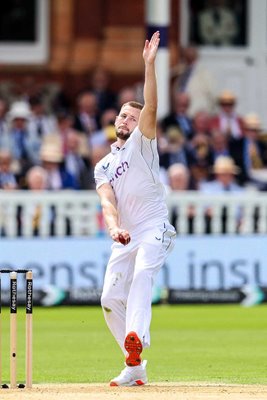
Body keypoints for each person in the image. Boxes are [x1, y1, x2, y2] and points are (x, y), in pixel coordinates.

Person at [94, 32, 176, 387]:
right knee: (110, 299)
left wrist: (149, 65)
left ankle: (136, 342)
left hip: (154, 226)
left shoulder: (143, 144)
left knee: (143, 275)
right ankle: (135, 366)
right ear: (115, 120)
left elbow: (152, 107)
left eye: (132, 117)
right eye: (123, 116)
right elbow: (107, 201)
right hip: (125, 234)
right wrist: (113, 228)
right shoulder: (103, 165)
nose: (126, 120)